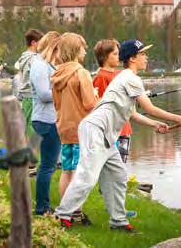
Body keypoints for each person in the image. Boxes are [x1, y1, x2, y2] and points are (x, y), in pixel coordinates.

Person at [55, 39, 181, 231]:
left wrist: (154, 123)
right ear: (132, 58)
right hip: (96, 130)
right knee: (87, 176)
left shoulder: (124, 77)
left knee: (118, 177)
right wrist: (178, 118)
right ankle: (61, 215)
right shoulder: (130, 78)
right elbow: (149, 107)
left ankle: (118, 222)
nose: (147, 57)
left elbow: (132, 113)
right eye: (143, 54)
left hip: (105, 136)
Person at [51, 32, 98, 224]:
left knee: (67, 171)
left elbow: (56, 104)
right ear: (74, 50)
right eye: (83, 47)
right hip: (81, 129)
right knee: (80, 174)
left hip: (63, 127)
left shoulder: (56, 74)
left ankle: (65, 213)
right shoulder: (81, 73)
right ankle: (75, 212)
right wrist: (96, 94)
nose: (86, 51)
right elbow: (89, 104)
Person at [30, 31, 61, 216]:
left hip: (50, 119)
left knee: (48, 165)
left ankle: (43, 205)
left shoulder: (48, 65)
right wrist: (64, 93)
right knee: (47, 166)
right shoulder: (40, 65)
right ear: (53, 46)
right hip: (45, 120)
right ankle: (42, 208)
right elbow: (43, 94)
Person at [92, 39, 133, 162]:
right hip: (112, 133)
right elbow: (99, 105)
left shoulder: (120, 74)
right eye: (115, 54)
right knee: (115, 169)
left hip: (125, 129)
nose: (118, 56)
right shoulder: (101, 77)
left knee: (122, 164)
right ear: (104, 57)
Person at [17, 29, 44, 137]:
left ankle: (23, 147)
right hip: (30, 93)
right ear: (33, 43)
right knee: (31, 123)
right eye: (40, 43)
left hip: (25, 94)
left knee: (25, 122)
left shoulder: (23, 57)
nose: (42, 47)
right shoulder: (33, 59)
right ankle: (31, 149)